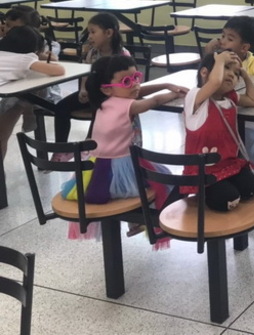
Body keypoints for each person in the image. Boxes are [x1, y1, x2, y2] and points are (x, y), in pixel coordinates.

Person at [61, 54, 188, 241]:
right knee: (163, 181)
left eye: (136, 77)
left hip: (95, 166)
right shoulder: (127, 105)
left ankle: (137, 221)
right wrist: (175, 94)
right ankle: (144, 220)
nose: (135, 84)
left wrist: (165, 84)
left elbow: (136, 90)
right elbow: (153, 101)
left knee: (152, 182)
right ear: (107, 88)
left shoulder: (103, 102)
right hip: (120, 165)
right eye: (127, 81)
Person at [183, 50, 254, 212]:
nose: (231, 74)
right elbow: (215, 82)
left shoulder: (229, 98)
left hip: (228, 164)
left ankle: (226, 185)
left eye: (235, 73)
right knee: (227, 199)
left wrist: (245, 76)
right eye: (226, 67)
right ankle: (208, 192)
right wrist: (219, 59)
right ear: (204, 73)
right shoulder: (195, 97)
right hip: (203, 171)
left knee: (252, 187)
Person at [53, 12, 129, 148]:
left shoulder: (122, 56)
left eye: (93, 32)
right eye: (89, 32)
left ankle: (89, 144)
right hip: (92, 94)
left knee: (97, 106)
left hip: (112, 98)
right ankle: (61, 149)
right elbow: (86, 74)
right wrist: (83, 89)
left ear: (108, 33)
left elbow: (125, 86)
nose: (89, 36)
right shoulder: (92, 53)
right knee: (60, 107)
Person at [203, 15, 254, 169]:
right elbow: (204, 84)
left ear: (244, 47)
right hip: (219, 121)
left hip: (248, 122)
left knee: (248, 159)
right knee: (222, 159)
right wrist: (208, 55)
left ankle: (251, 177)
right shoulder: (216, 60)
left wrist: (243, 73)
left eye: (230, 39)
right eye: (222, 36)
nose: (222, 41)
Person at [0, 25, 66, 158]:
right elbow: (59, 70)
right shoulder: (24, 59)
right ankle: (30, 114)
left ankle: (29, 115)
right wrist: (39, 57)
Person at [2, 5, 62, 130]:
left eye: (14, 28)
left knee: (14, 102)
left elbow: (54, 63)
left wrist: (41, 56)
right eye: (7, 25)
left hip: (42, 92)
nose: (8, 31)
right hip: (12, 87)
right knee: (11, 103)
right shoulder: (6, 42)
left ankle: (29, 113)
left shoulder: (45, 45)